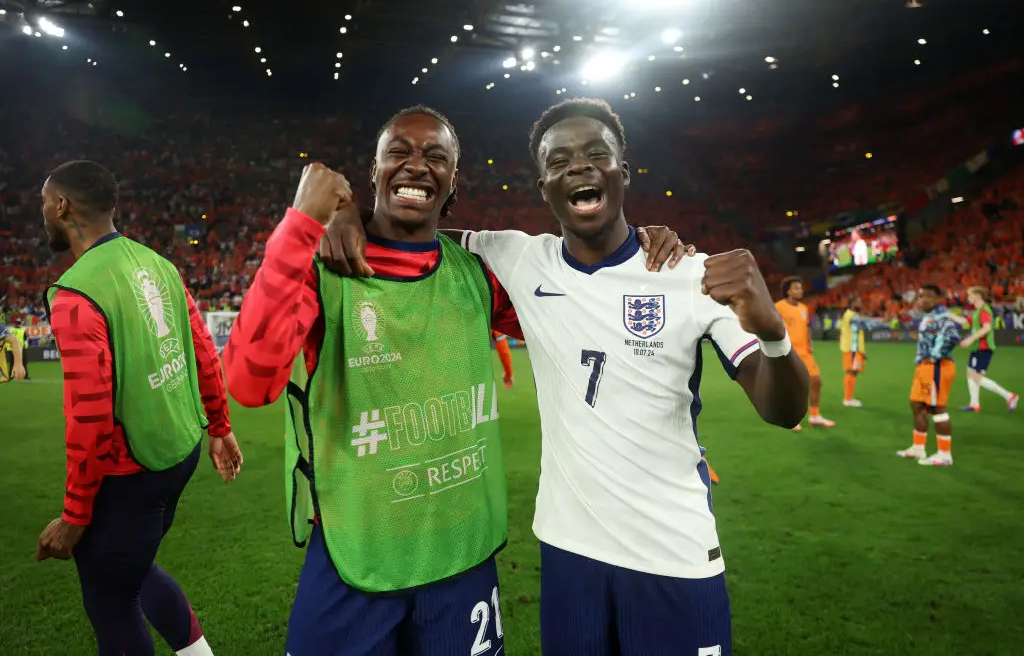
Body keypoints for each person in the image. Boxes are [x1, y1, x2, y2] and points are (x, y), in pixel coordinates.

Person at [325, 98, 808, 656]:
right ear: (544, 186)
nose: (577, 167)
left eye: (595, 154)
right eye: (558, 161)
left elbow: (783, 409)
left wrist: (773, 332)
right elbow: (408, 225)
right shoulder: (518, 258)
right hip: (567, 554)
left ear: (621, 174)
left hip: (672, 554)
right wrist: (345, 214)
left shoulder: (690, 275)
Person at [268, 106, 687, 656]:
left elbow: (582, 304)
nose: (416, 167)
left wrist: (632, 248)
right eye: (398, 153)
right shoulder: (329, 271)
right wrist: (321, 220)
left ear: (452, 180)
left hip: (462, 551)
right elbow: (252, 382)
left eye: (434, 157)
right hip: (355, 547)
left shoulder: (476, 276)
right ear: (373, 171)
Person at [33, 161, 242, 656]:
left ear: (62, 206)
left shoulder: (76, 292)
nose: (42, 211)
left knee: (112, 598)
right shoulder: (157, 263)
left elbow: (90, 417)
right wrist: (219, 425)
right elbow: (201, 351)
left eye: (45, 201)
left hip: (129, 474)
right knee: (133, 568)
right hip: (179, 454)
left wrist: (75, 515)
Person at [897, 284, 960, 466]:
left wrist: (935, 357)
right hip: (925, 367)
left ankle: (944, 454)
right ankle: (918, 448)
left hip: (938, 366)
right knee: (916, 405)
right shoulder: (928, 316)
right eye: (920, 296)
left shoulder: (943, 316)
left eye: (928, 296)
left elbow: (952, 336)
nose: (923, 300)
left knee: (937, 408)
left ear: (939, 298)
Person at [776, 276, 834, 429]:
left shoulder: (803, 308)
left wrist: (810, 343)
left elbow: (806, 327)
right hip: (788, 352)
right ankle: (789, 418)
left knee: (816, 382)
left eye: (801, 288)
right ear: (788, 291)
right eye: (796, 288)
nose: (799, 290)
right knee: (792, 387)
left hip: (804, 352)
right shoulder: (778, 307)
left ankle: (814, 416)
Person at [952, 287, 1018, 412]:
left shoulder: (984, 310)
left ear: (977, 295)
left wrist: (970, 339)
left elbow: (986, 328)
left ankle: (1009, 396)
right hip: (977, 348)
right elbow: (964, 321)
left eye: (970, 295)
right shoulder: (977, 312)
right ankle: (974, 404)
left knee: (976, 377)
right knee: (970, 373)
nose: (968, 297)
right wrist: (948, 315)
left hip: (984, 348)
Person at [838, 295, 887, 407]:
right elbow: (866, 323)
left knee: (853, 372)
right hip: (852, 349)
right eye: (857, 301)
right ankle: (847, 399)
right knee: (851, 371)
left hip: (854, 349)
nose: (860, 304)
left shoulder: (853, 315)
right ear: (851, 303)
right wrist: (883, 321)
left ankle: (848, 398)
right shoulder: (851, 315)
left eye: (861, 301)